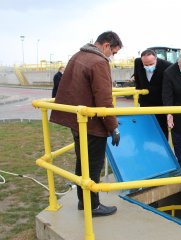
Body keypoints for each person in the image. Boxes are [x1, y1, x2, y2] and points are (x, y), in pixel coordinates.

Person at [50, 31, 122, 217]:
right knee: (93, 165)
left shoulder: (78, 55)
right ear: (106, 45)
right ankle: (93, 205)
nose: (112, 56)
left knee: (82, 162)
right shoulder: (99, 62)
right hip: (92, 124)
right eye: (113, 52)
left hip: (77, 120)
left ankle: (84, 202)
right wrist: (113, 127)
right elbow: (104, 99)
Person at [134, 49, 171, 139]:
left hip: (160, 103)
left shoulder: (167, 66)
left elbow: (168, 87)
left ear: (156, 59)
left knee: (161, 129)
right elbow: (137, 78)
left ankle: (162, 149)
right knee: (145, 127)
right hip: (145, 102)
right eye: (145, 65)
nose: (148, 66)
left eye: (151, 64)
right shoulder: (138, 62)